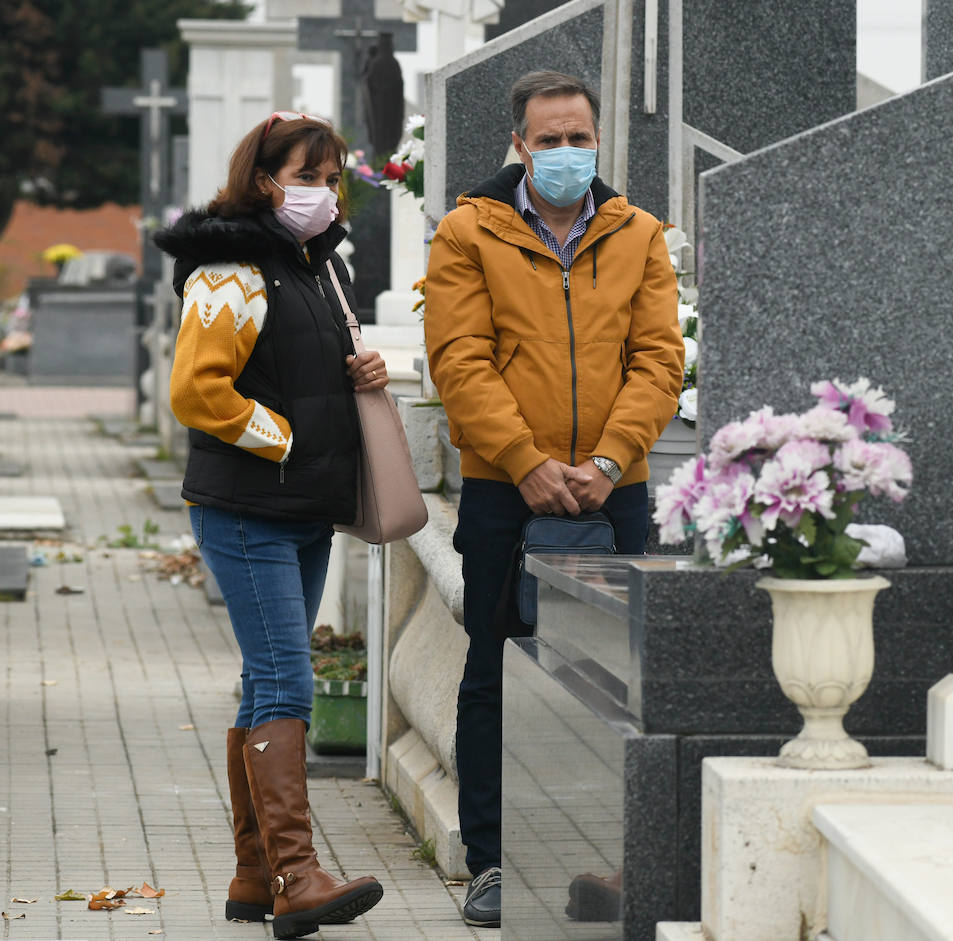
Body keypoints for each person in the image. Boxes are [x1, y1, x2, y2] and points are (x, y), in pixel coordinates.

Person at [424, 70, 684, 927]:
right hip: (507, 493)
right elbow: (461, 359)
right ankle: (492, 862)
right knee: (494, 667)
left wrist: (609, 461)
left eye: (580, 138)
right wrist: (525, 459)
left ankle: (612, 860)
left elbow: (657, 360)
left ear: (598, 140)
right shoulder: (467, 232)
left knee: (622, 681)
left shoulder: (640, 233)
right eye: (550, 140)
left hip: (617, 495)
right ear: (519, 145)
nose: (567, 152)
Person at [153, 112, 388, 941]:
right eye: (307, 176)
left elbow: (296, 368)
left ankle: (255, 874)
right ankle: (297, 876)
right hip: (248, 507)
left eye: (332, 179)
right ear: (263, 180)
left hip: (304, 509)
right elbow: (197, 390)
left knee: (264, 683)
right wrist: (284, 439)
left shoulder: (315, 266)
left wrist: (360, 365)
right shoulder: (231, 269)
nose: (322, 193)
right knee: (289, 680)